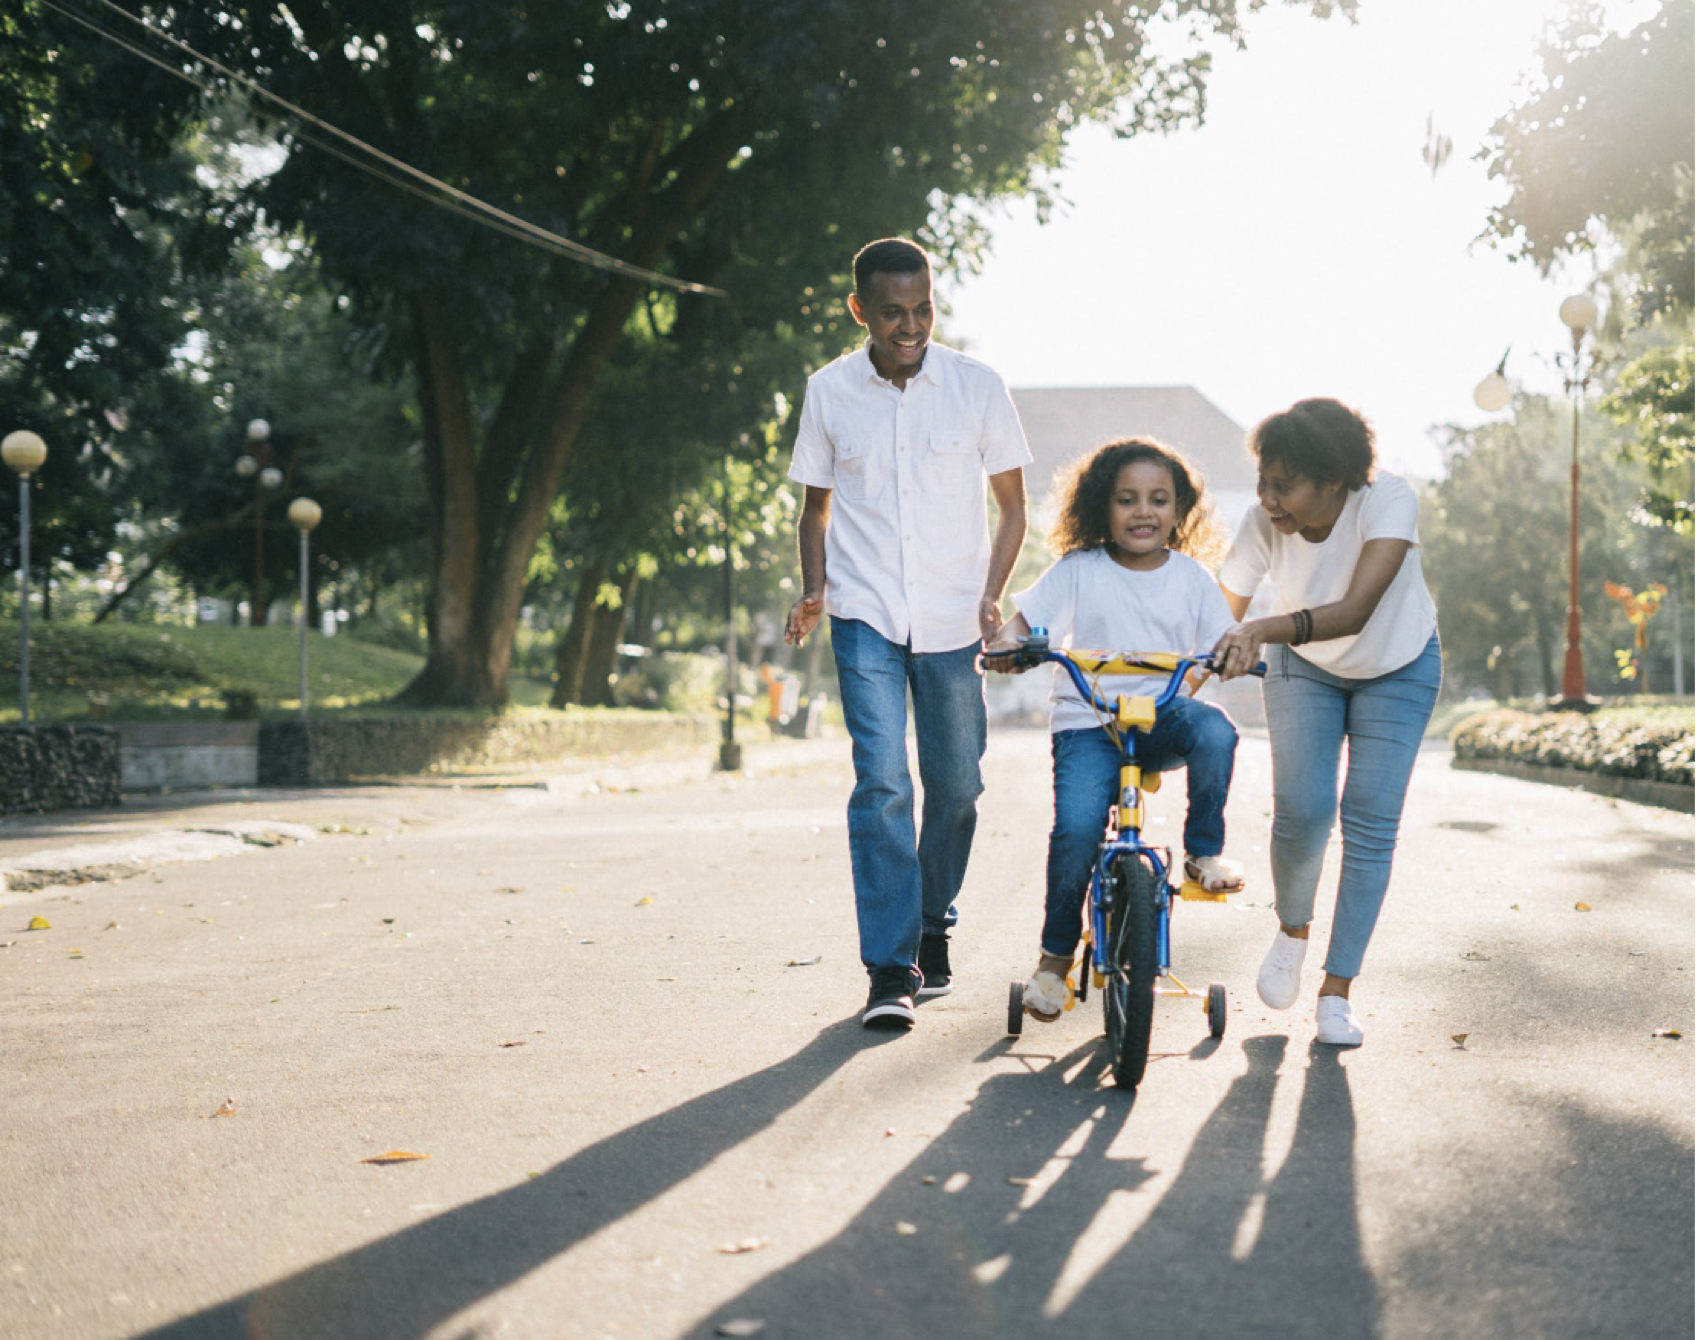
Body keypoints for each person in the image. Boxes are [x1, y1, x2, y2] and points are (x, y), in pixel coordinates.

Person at [783, 237, 1031, 1030]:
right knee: (884, 783)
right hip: (864, 616)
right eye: (893, 313)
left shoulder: (977, 386)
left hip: (955, 618)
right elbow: (815, 508)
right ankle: (890, 968)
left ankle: (932, 923)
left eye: (923, 309)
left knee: (957, 787)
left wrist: (993, 595)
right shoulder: (828, 392)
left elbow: (1014, 507)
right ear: (861, 311)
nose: (911, 325)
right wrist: (816, 589)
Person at [986, 437, 1243, 1022]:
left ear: (1180, 512)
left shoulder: (1194, 579)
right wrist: (1008, 645)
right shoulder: (1079, 570)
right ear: (1103, 506)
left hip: (1160, 718)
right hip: (1088, 724)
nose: (1143, 512)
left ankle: (1203, 853)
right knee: (1077, 830)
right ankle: (1054, 962)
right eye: (1127, 500)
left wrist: (1229, 657)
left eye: (1159, 500)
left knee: (1218, 733)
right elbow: (1024, 624)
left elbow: (1221, 642)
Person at [1211, 397, 1441, 1049]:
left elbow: (1357, 609)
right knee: (1303, 811)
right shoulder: (1262, 524)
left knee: (1369, 819)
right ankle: (1292, 931)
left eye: (1284, 484)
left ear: (1334, 479)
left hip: (1397, 663)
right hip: (1303, 667)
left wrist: (1259, 628)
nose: (1268, 498)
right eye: (1263, 481)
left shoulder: (1386, 501)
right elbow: (1216, 616)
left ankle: (1337, 991)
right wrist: (1180, 681)